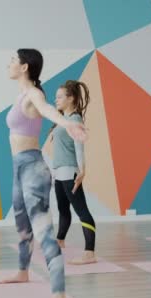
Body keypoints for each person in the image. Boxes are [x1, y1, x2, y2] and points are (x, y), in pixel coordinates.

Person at [0, 49, 87, 298]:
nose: (9, 63)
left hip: (33, 169)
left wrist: (68, 125)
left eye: (13, 60)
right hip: (19, 168)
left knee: (44, 233)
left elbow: (48, 109)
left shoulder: (35, 94)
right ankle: (23, 271)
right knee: (22, 227)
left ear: (24, 67)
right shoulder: (22, 94)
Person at [50, 80, 97, 264]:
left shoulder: (75, 120)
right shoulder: (63, 119)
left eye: (60, 97)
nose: (57, 100)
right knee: (63, 210)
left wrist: (82, 171)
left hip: (70, 173)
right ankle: (60, 240)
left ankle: (89, 253)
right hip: (60, 173)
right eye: (56, 97)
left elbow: (79, 148)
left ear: (71, 98)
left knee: (82, 211)